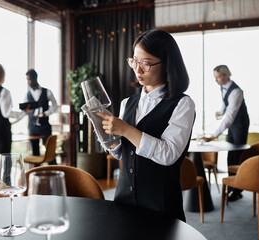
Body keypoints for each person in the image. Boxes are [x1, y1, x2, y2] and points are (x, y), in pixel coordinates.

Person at [97, 29, 195, 222]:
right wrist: (110, 139)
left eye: (146, 63)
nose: (138, 70)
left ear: (167, 65)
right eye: (134, 61)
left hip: (161, 206)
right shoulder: (128, 103)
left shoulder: (183, 104)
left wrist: (126, 129)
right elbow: (123, 153)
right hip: (124, 201)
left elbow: (168, 154)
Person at [204, 64, 249, 201]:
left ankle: (237, 190)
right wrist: (219, 112)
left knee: (237, 156)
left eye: (217, 77)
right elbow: (226, 107)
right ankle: (231, 186)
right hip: (232, 125)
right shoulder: (223, 88)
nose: (216, 80)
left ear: (225, 75)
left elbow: (230, 117)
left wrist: (214, 135)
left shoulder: (236, 91)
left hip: (240, 125)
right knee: (230, 155)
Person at [0, 63, 28, 179]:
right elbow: (6, 113)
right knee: (5, 161)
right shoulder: (4, 92)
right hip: (0, 128)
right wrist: (24, 112)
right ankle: (5, 190)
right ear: (2, 75)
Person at [24, 69, 58, 165]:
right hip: (32, 127)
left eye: (30, 79)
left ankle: (54, 175)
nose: (29, 82)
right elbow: (25, 110)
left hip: (45, 126)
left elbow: (55, 106)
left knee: (50, 153)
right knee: (35, 154)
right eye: (27, 80)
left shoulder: (47, 92)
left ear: (35, 78)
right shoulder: (27, 94)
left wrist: (46, 113)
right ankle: (36, 177)